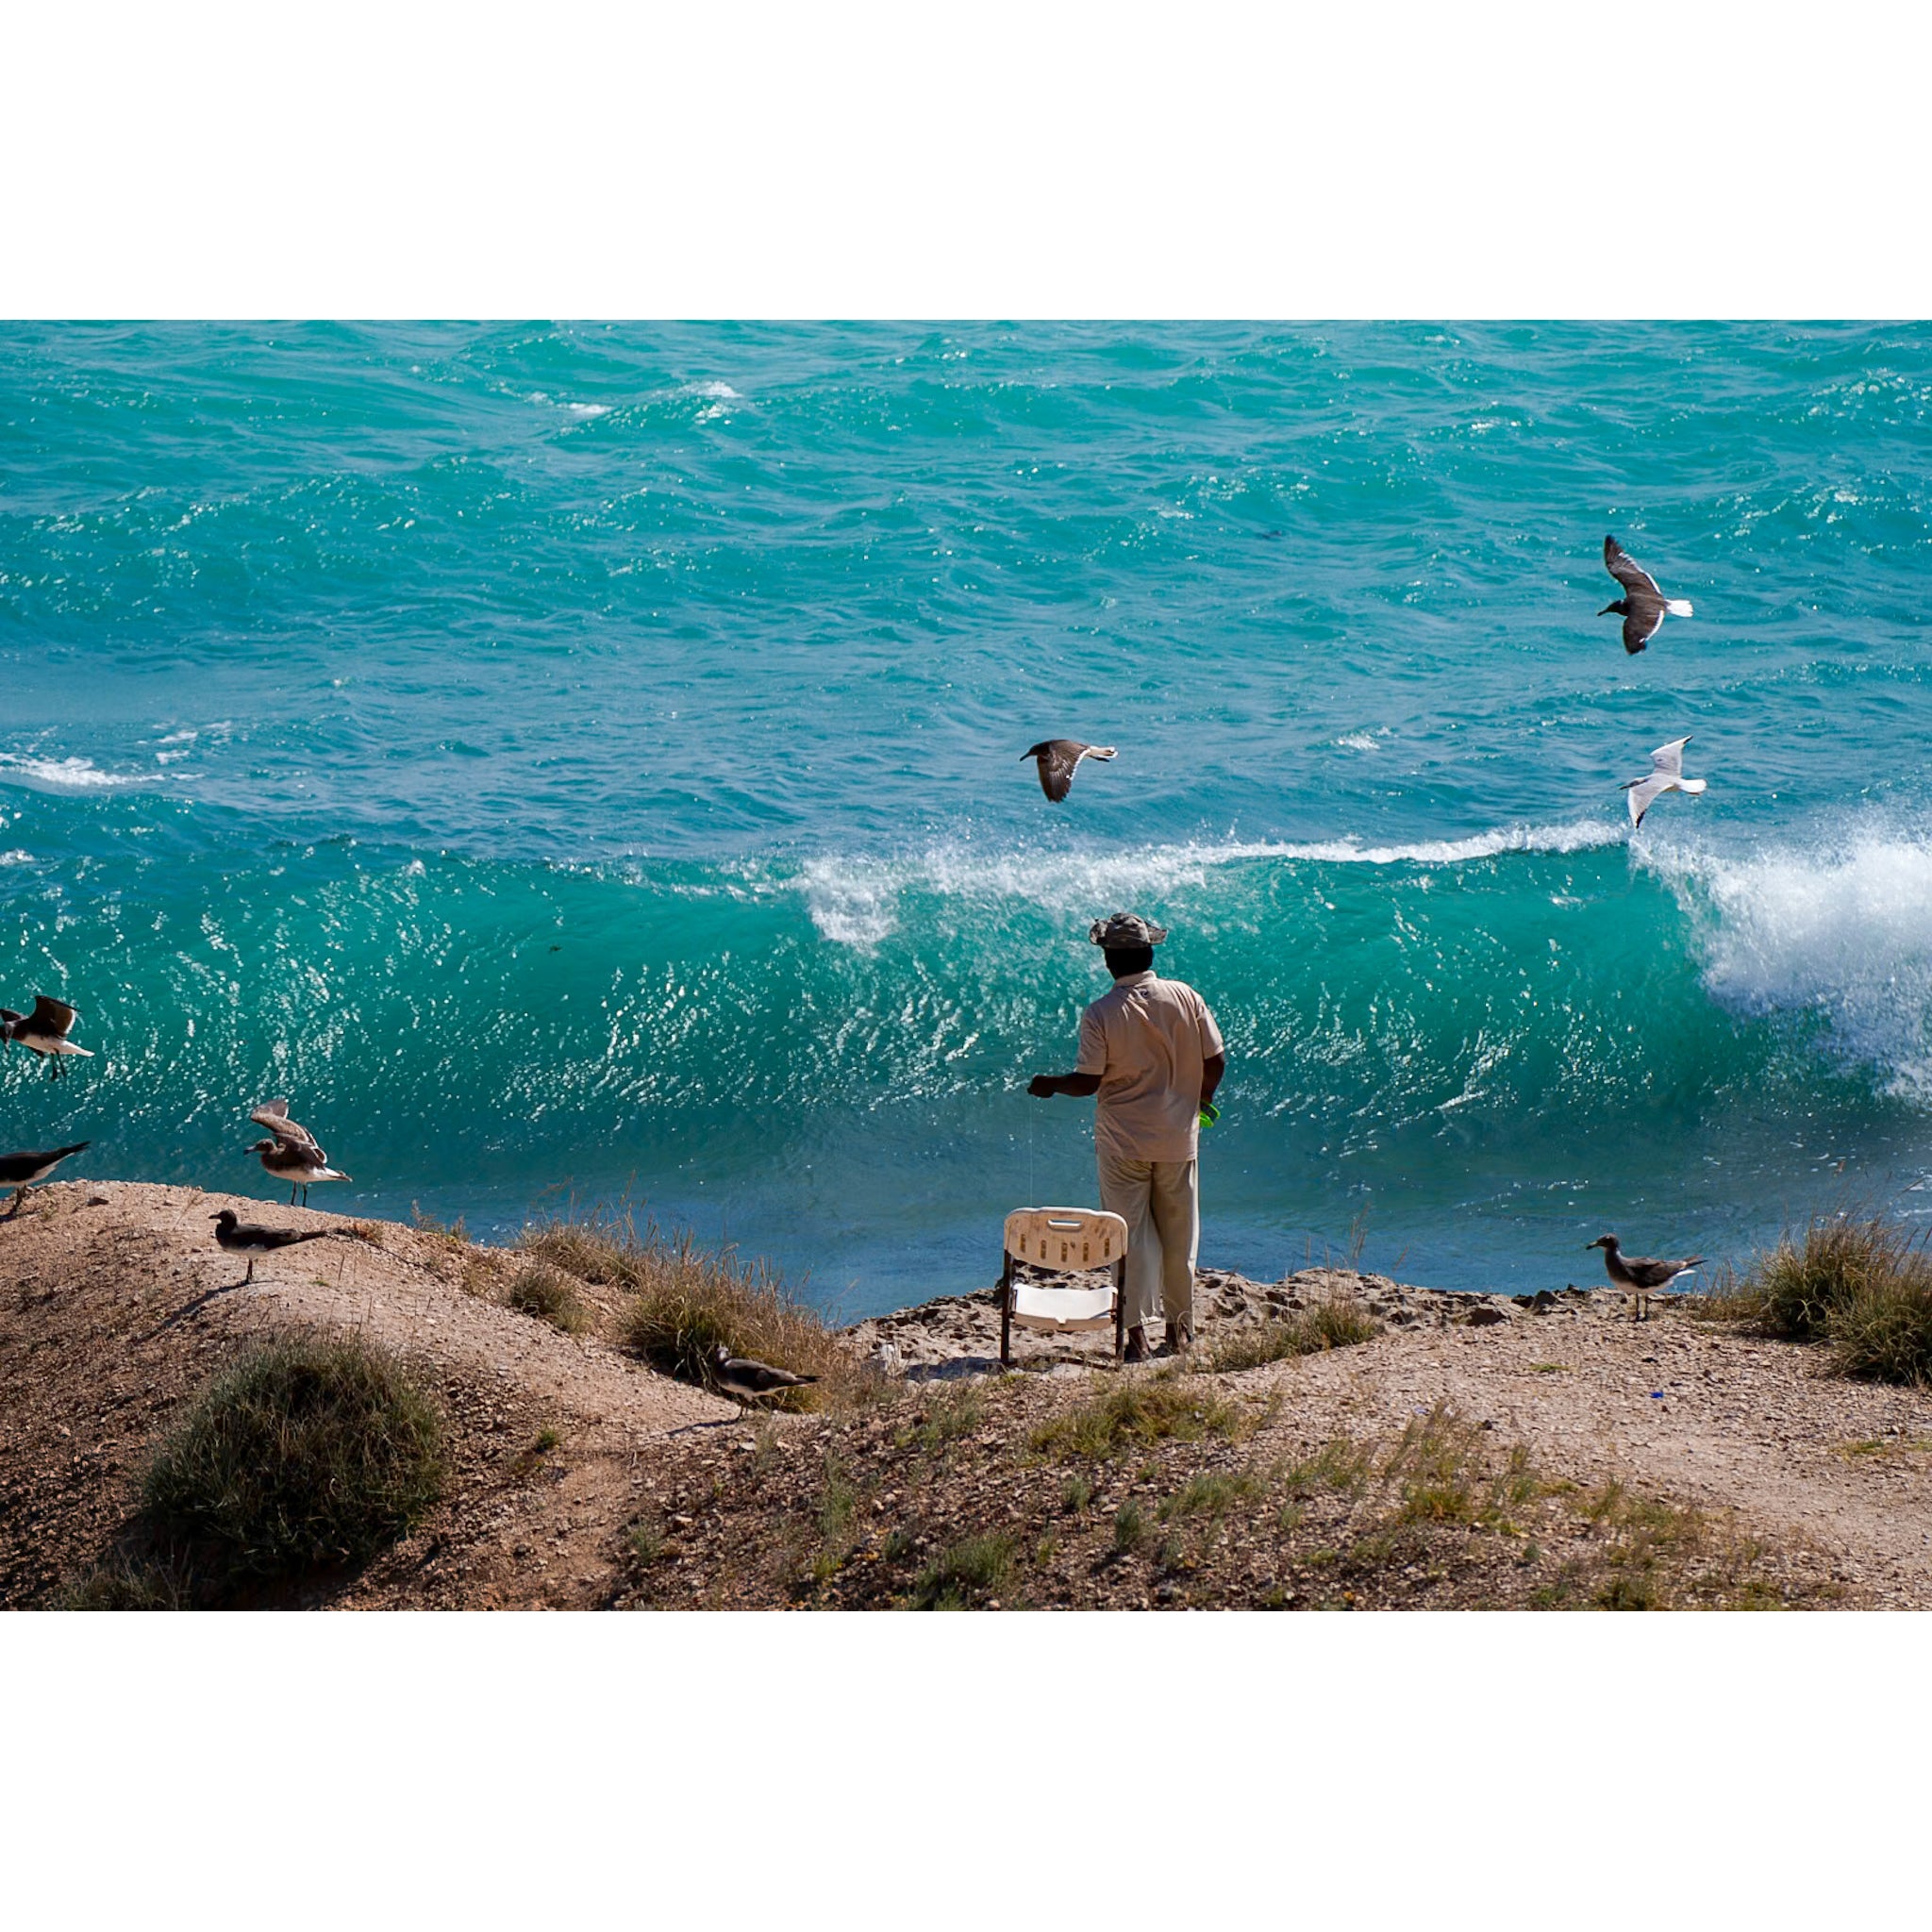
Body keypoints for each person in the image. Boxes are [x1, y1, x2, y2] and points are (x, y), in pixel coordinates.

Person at [1028, 912, 1225, 1361]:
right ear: (1150, 953)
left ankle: (1136, 1339)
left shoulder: (1101, 1013)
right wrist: (1200, 1101)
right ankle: (1180, 1334)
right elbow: (1215, 1060)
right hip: (1178, 1138)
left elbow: (1088, 1082)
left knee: (1130, 1238)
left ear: (1109, 962)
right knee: (1180, 1238)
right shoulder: (1185, 996)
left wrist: (1051, 1083)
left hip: (1123, 1144)